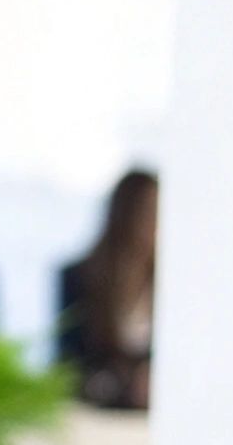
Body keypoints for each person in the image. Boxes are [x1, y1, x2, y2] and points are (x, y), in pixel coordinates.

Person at [58, 169, 159, 410]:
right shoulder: (80, 277)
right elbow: (69, 363)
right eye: (149, 213)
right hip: (97, 413)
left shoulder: (169, 286)